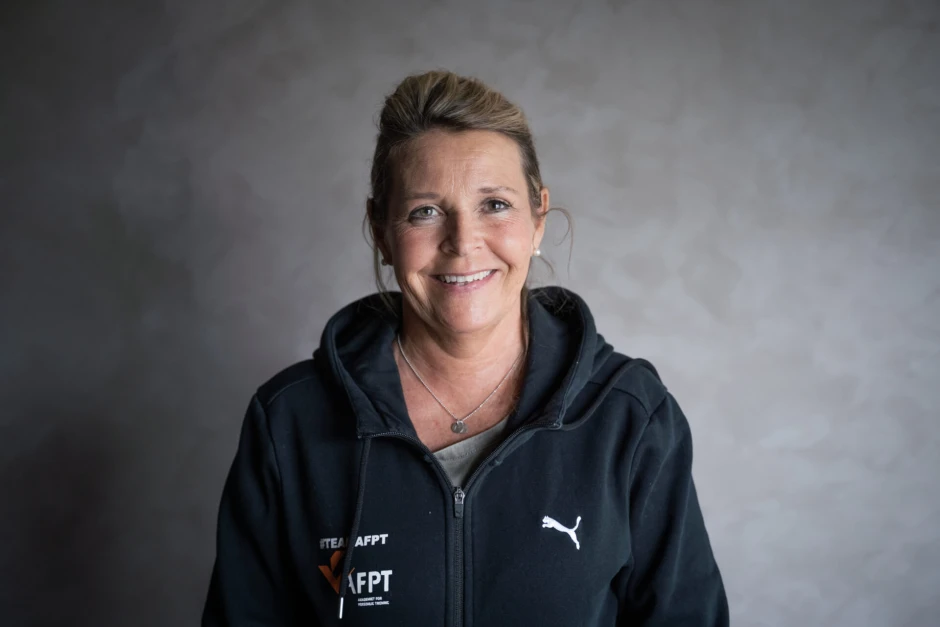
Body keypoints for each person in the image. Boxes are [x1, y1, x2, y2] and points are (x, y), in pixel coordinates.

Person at [202, 69, 728, 626]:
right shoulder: (288, 422)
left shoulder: (630, 418)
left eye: (494, 204)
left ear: (538, 218)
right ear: (381, 230)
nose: (463, 242)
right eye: (425, 211)